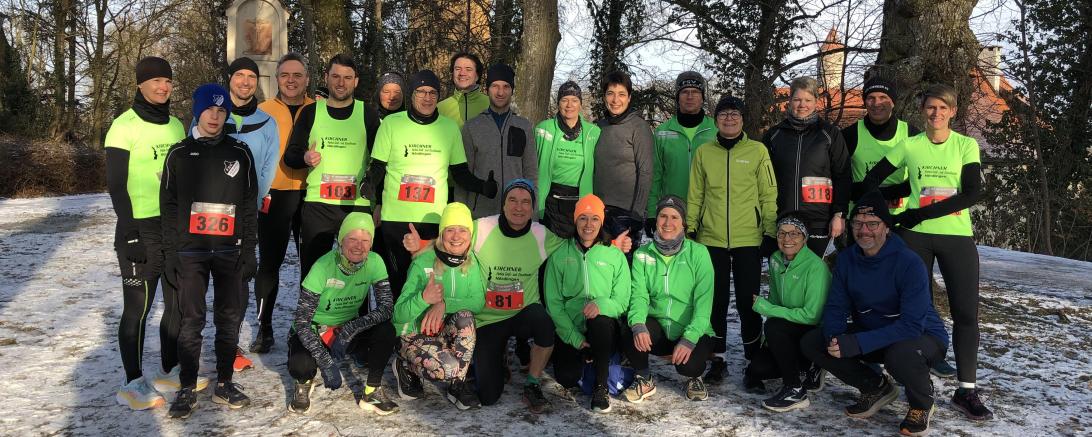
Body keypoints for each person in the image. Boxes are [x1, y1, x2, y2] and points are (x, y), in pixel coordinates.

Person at [858, 83, 992, 421]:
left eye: (942, 108)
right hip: (915, 238)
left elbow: (971, 193)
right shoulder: (910, 145)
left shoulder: (965, 144)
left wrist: (917, 212)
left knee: (965, 313)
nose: (936, 113)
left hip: (956, 237)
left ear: (952, 112)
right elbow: (872, 181)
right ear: (923, 111)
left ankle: (967, 390)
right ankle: (917, 381)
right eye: (930, 108)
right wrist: (890, 218)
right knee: (916, 310)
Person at [801, 191, 949, 436]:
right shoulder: (847, 260)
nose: (864, 230)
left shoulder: (908, 262)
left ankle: (922, 403)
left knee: (900, 354)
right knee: (814, 342)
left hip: (920, 336)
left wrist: (857, 343)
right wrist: (835, 338)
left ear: (886, 227)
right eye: (858, 223)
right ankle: (875, 387)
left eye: (872, 224)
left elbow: (911, 325)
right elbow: (836, 306)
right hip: (873, 330)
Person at [105, 56, 206, 409]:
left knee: (176, 302)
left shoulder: (177, 126)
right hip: (138, 228)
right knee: (138, 308)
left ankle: (170, 368)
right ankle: (132, 383)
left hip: (172, 226)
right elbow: (116, 185)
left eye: (167, 81)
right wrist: (130, 233)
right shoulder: (123, 126)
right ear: (140, 85)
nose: (163, 87)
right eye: (155, 81)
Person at [162, 84, 258, 419]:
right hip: (191, 253)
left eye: (221, 111)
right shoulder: (178, 154)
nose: (215, 117)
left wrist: (249, 250)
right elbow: (169, 208)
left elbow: (248, 206)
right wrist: (172, 254)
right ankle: (187, 386)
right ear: (197, 112)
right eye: (209, 110)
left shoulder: (240, 153)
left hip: (230, 252)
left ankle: (224, 383)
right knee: (192, 321)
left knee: (229, 319)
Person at [365, 69, 497, 298]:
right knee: (397, 281)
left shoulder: (449, 128)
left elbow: (460, 172)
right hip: (396, 217)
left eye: (432, 93)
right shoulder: (392, 124)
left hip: (433, 219)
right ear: (412, 94)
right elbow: (378, 165)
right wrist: (369, 182)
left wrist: (483, 186)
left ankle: (427, 331)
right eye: (421, 92)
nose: (427, 98)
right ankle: (399, 329)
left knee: (429, 279)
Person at [686, 95, 778, 387]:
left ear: (742, 119)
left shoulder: (758, 151)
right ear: (716, 119)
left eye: (734, 114)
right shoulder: (704, 152)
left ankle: (754, 362)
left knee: (749, 303)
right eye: (723, 113)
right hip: (710, 239)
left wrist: (770, 231)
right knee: (715, 302)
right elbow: (695, 195)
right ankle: (718, 359)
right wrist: (690, 229)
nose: (729, 118)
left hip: (748, 239)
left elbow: (768, 194)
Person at [286, 213, 398, 415]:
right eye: (352, 239)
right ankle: (303, 383)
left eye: (365, 241)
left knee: (386, 331)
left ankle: (372, 390)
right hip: (314, 330)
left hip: (346, 329)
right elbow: (302, 322)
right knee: (300, 365)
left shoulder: (375, 262)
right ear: (341, 239)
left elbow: (386, 307)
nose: (359, 246)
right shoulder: (322, 266)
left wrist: (349, 329)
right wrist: (326, 362)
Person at [283, 54, 380, 279]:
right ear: (326, 78)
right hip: (319, 205)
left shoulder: (367, 113)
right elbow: (291, 155)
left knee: (357, 274)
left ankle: (358, 316)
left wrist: (378, 199)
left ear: (355, 81)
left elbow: (380, 161)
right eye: (335, 76)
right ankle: (312, 315)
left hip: (356, 204)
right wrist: (305, 157)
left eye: (347, 78)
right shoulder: (310, 112)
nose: (341, 82)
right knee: (314, 273)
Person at [390, 203, 486, 410]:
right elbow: (398, 315)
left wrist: (443, 304)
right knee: (448, 367)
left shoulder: (471, 262)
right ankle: (405, 366)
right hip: (413, 335)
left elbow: (478, 302)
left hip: (441, 334)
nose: (456, 236)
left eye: (463, 230)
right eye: (450, 230)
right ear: (441, 234)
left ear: (471, 235)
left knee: (466, 317)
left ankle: (457, 386)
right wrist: (424, 299)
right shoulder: (423, 261)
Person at [250, 53, 315, 354]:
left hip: (309, 195)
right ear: (277, 79)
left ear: (307, 79)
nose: (291, 80)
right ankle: (264, 328)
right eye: (285, 75)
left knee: (310, 267)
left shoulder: (320, 110)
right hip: (273, 196)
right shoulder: (262, 111)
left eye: (297, 75)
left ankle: (306, 325)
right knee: (269, 265)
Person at [622, 195, 715, 403]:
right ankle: (644, 377)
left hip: (691, 329)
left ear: (683, 223)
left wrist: (689, 338)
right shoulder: (642, 254)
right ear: (656, 220)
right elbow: (639, 295)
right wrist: (638, 324)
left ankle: (694, 377)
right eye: (663, 216)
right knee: (630, 328)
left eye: (674, 217)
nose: (668, 223)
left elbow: (704, 304)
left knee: (688, 366)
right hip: (658, 328)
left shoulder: (699, 253)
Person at [544, 194, 630, 413]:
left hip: (603, 328)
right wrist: (574, 337)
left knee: (599, 320)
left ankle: (601, 388)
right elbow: (553, 303)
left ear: (601, 222)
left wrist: (601, 304)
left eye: (594, 218)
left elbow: (622, 300)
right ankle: (589, 358)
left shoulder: (614, 255)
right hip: (571, 329)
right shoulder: (560, 255)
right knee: (567, 378)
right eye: (583, 218)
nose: (588, 225)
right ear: (575, 221)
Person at [750, 213, 831, 412]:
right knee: (757, 369)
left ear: (805, 237)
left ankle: (795, 388)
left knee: (774, 326)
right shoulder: (776, 259)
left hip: (813, 332)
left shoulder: (816, 267)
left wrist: (768, 309)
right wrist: (768, 341)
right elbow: (776, 299)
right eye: (782, 233)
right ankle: (808, 367)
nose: (787, 239)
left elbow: (812, 316)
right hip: (788, 327)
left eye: (795, 233)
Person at [763, 76, 851, 257]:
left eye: (808, 100)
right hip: (783, 220)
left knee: (816, 277)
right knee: (786, 279)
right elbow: (762, 179)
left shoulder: (829, 134)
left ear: (816, 102)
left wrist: (839, 215)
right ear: (789, 102)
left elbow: (842, 175)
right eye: (797, 99)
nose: (802, 104)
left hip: (819, 222)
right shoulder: (774, 135)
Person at [455, 64, 539, 218]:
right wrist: (459, 216)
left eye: (506, 86)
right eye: (495, 86)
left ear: (512, 90)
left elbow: (531, 173)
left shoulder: (523, 126)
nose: (500, 92)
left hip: (516, 215)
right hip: (480, 214)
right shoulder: (472, 127)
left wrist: (532, 215)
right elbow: (463, 176)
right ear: (487, 89)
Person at [646, 72, 717, 226]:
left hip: (709, 212)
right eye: (684, 92)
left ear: (702, 97)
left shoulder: (716, 130)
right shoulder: (662, 132)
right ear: (678, 97)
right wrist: (652, 212)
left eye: (695, 92)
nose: (690, 96)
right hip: (673, 211)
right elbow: (655, 175)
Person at [534, 81, 600, 238]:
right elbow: (531, 165)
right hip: (549, 200)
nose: (569, 105)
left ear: (580, 104)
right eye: (564, 100)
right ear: (558, 103)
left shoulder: (594, 132)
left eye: (575, 100)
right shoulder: (543, 129)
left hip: (580, 202)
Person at [593, 70, 653, 242]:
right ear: (604, 97)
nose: (615, 100)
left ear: (629, 97)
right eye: (610, 94)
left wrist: (637, 212)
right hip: (598, 211)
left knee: (622, 265)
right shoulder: (599, 127)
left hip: (626, 213)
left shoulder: (639, 127)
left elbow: (646, 171)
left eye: (621, 94)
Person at [437, 52, 489, 127]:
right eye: (458, 69)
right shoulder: (440, 108)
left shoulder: (490, 105)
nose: (462, 73)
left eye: (468, 69)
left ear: (477, 76)